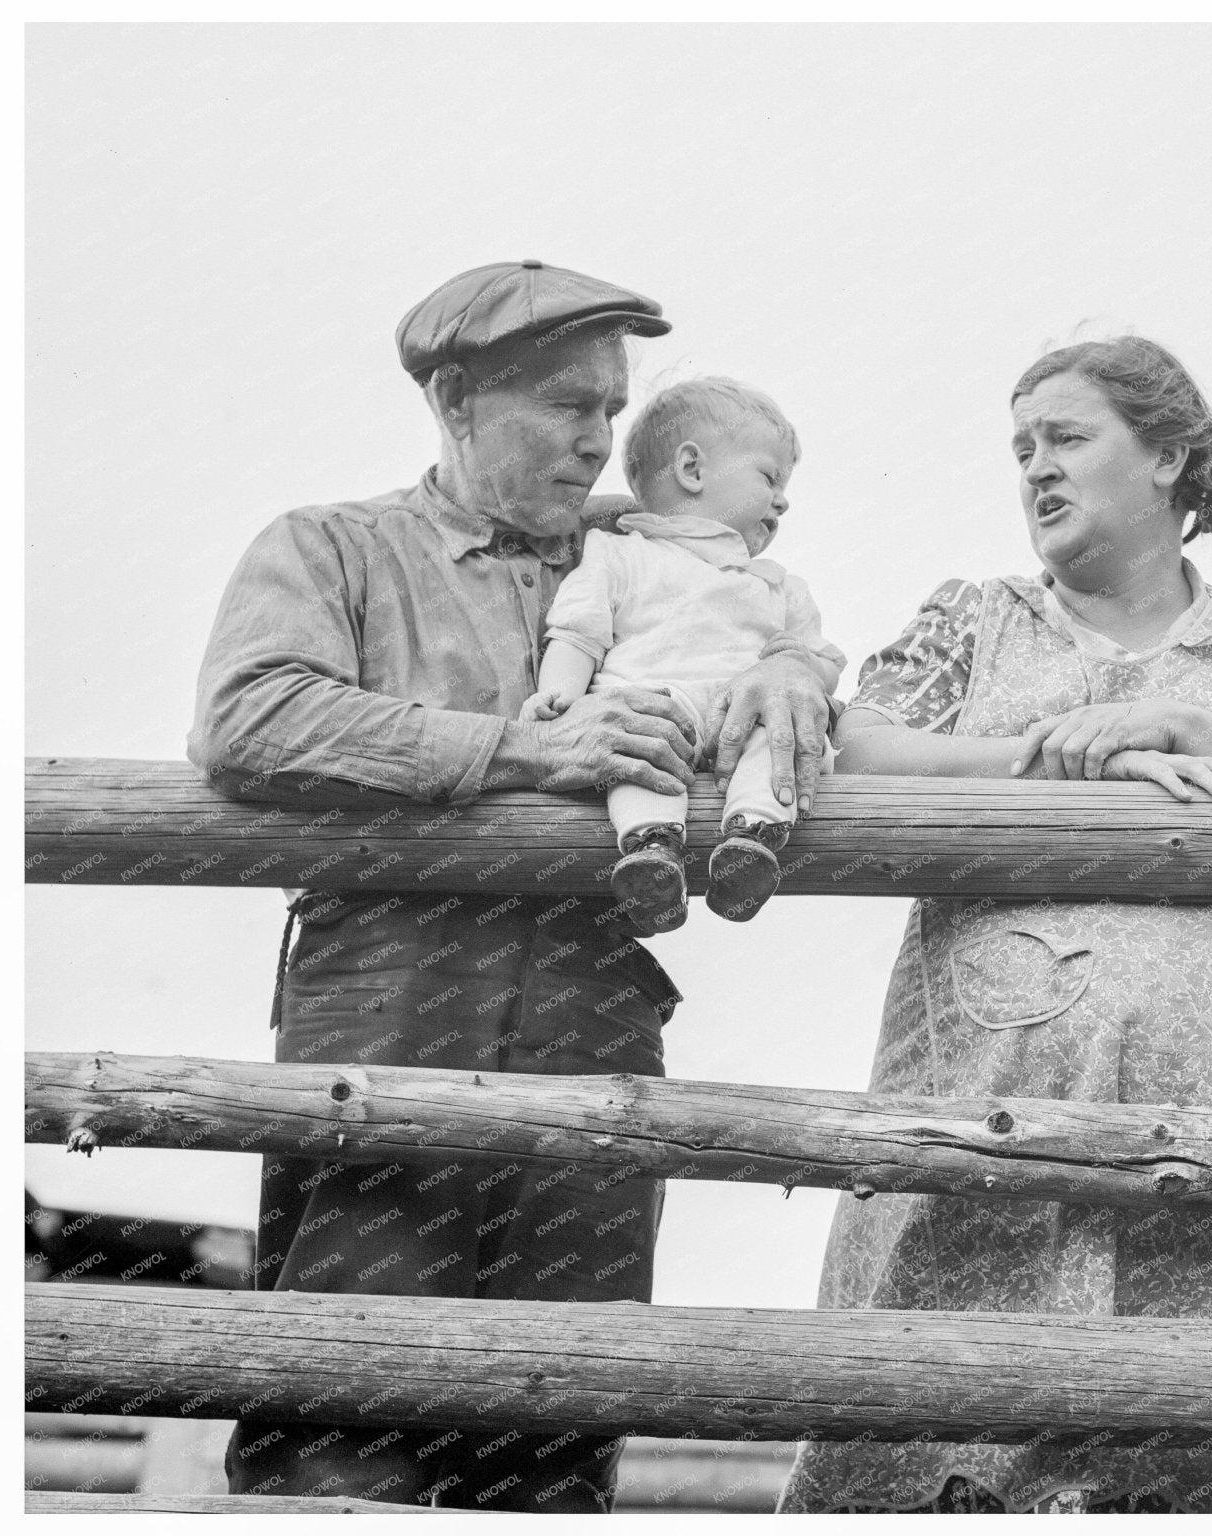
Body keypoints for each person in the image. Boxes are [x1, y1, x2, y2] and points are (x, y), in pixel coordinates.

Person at [775, 336, 1212, 1515]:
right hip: (985, 1141)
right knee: (946, 1438)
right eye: (1020, 449)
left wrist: (1191, 727)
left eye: (1065, 437)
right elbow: (861, 751)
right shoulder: (971, 619)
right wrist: (1049, 760)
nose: (1035, 467)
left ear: (1167, 457)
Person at [187, 260, 837, 1511]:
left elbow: (782, 644)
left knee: (559, 1412)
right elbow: (248, 716)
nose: (597, 440)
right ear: (454, 400)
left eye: (611, 409)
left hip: (590, 1008)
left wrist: (794, 671)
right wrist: (518, 750)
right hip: (386, 1001)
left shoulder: (648, 551)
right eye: (564, 405)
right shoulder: (334, 546)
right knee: (345, 1393)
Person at [523, 377, 846, 930]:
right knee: (634, 737)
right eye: (769, 477)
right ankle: (652, 852)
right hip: (654, 707)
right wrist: (558, 703)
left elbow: (820, 666)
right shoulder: (619, 555)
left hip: (740, 715)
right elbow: (578, 635)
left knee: (781, 733)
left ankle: (752, 838)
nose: (784, 499)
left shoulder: (779, 586)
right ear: (692, 469)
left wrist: (800, 667)